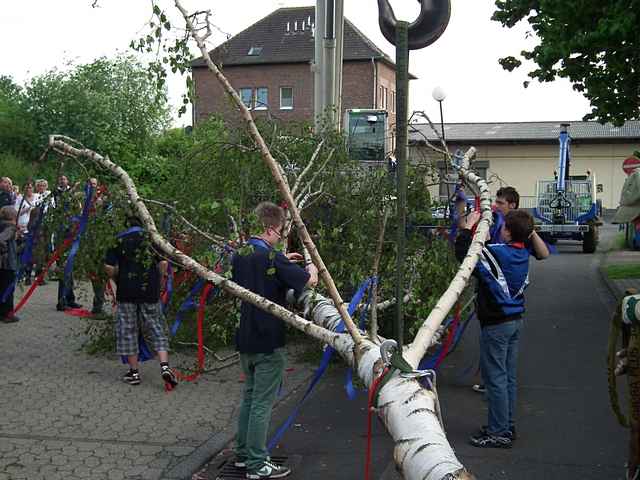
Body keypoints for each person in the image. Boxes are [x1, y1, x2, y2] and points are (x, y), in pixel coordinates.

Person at [231, 202, 318, 479]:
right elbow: (307, 282)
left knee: (250, 397)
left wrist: (282, 261)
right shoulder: (272, 258)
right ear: (270, 228)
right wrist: (312, 269)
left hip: (246, 336)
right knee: (262, 403)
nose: (281, 237)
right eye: (280, 233)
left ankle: (243, 454)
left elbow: (263, 280)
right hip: (268, 339)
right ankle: (258, 463)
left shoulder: (241, 254)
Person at [456, 209, 534, 448]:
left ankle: (498, 432)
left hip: (497, 324)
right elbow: (491, 258)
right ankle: (506, 425)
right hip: (514, 322)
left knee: (495, 379)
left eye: (504, 227)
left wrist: (467, 228)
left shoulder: (499, 254)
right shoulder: (521, 254)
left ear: (508, 232)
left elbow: (467, 256)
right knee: (507, 377)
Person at [460, 186, 549, 395]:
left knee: (497, 350)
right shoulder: (496, 222)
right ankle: (489, 381)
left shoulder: (518, 231)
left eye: (500, 203)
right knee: (492, 345)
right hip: (495, 298)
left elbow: (543, 254)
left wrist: (529, 229)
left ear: (512, 205)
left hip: (502, 302)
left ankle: (493, 395)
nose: (495, 206)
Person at [104, 215, 177, 389]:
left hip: (126, 291)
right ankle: (165, 366)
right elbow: (163, 264)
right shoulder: (152, 239)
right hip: (149, 291)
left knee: (128, 330)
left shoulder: (118, 240)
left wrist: (117, 277)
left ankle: (134, 373)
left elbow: (108, 267)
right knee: (157, 328)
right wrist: (159, 283)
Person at [0, 206, 20, 323]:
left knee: (2, 288)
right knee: (8, 289)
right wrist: (4, 250)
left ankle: (2, 313)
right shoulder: (10, 227)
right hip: (7, 263)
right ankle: (8, 314)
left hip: (2, 264)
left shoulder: (2, 224)